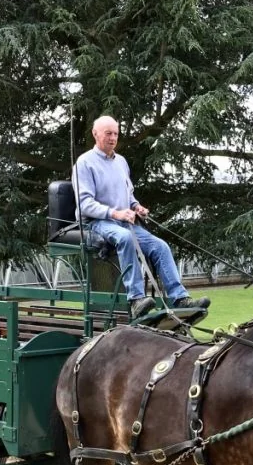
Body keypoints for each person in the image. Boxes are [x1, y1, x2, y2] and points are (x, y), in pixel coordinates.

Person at [73, 115, 210, 318]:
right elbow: (84, 204)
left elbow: (128, 195)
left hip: (124, 221)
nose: (112, 138)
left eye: (116, 134)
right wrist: (115, 212)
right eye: (108, 133)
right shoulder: (84, 163)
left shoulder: (121, 162)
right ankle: (136, 299)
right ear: (95, 134)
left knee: (160, 246)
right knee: (125, 238)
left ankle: (180, 298)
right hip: (97, 222)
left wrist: (136, 206)